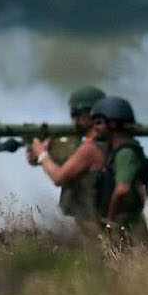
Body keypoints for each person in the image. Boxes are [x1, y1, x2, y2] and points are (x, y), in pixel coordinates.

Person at [30, 85, 108, 236]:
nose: (74, 120)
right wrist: (41, 151)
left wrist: (41, 153)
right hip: (100, 223)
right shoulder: (106, 141)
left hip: (95, 226)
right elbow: (35, 160)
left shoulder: (91, 147)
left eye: (76, 114)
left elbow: (59, 177)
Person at [91, 95, 148, 247]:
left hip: (126, 224)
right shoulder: (116, 151)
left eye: (99, 123)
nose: (95, 128)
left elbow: (121, 189)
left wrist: (109, 221)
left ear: (112, 124)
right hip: (124, 223)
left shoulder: (125, 153)